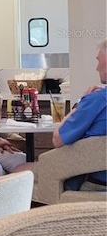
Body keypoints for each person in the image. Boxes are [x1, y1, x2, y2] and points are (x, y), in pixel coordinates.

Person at [15, 38, 106, 190]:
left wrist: (78, 105)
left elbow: (58, 139)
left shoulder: (96, 99)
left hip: (92, 180)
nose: (97, 68)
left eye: (99, 60)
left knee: (19, 170)